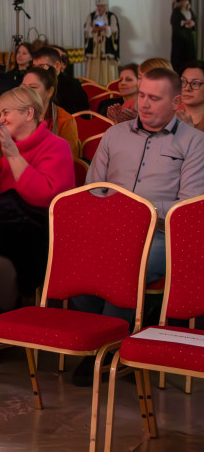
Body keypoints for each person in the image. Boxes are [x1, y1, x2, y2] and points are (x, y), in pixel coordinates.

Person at [72, 67, 204, 385]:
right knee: (76, 258)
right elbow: (94, 189)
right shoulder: (114, 134)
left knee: (125, 262)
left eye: (154, 99)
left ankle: (105, 351)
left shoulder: (195, 142)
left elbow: (189, 207)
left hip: (161, 234)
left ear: (176, 103)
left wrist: (138, 211)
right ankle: (107, 339)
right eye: (141, 95)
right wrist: (108, 217)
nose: (143, 104)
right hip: (109, 228)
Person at [0, 86, 75, 319]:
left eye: (6, 112)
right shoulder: (3, 145)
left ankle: (9, 317)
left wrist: (13, 156)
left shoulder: (56, 146)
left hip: (39, 229)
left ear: (28, 113)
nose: (1, 119)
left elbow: (44, 197)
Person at [21, 66, 79, 158]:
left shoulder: (64, 121)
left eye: (33, 87)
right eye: (23, 87)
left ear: (49, 92)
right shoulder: (14, 115)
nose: (26, 92)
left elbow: (68, 161)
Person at [32, 46, 89, 113]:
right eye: (34, 67)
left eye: (42, 66)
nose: (37, 72)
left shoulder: (71, 85)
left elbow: (80, 115)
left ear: (57, 66)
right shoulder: (32, 82)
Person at [84, 0, 120, 85]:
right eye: (98, 6)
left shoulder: (111, 16)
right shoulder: (91, 16)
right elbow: (87, 29)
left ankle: (108, 85)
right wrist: (95, 29)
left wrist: (105, 28)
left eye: (101, 6)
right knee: (94, 66)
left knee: (107, 66)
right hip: (95, 46)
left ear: (105, 6)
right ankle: (93, 85)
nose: (99, 8)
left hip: (106, 46)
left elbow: (114, 29)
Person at [170, 0, 197, 72]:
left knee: (189, 55)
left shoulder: (190, 11)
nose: (184, 2)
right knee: (179, 56)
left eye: (186, 1)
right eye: (183, 1)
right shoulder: (176, 11)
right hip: (179, 38)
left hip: (189, 37)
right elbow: (174, 22)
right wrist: (185, 23)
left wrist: (192, 23)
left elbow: (194, 21)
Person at [176, 61, 204, 132]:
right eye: (183, 81)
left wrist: (190, 132)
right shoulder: (169, 118)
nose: (187, 88)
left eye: (195, 83)